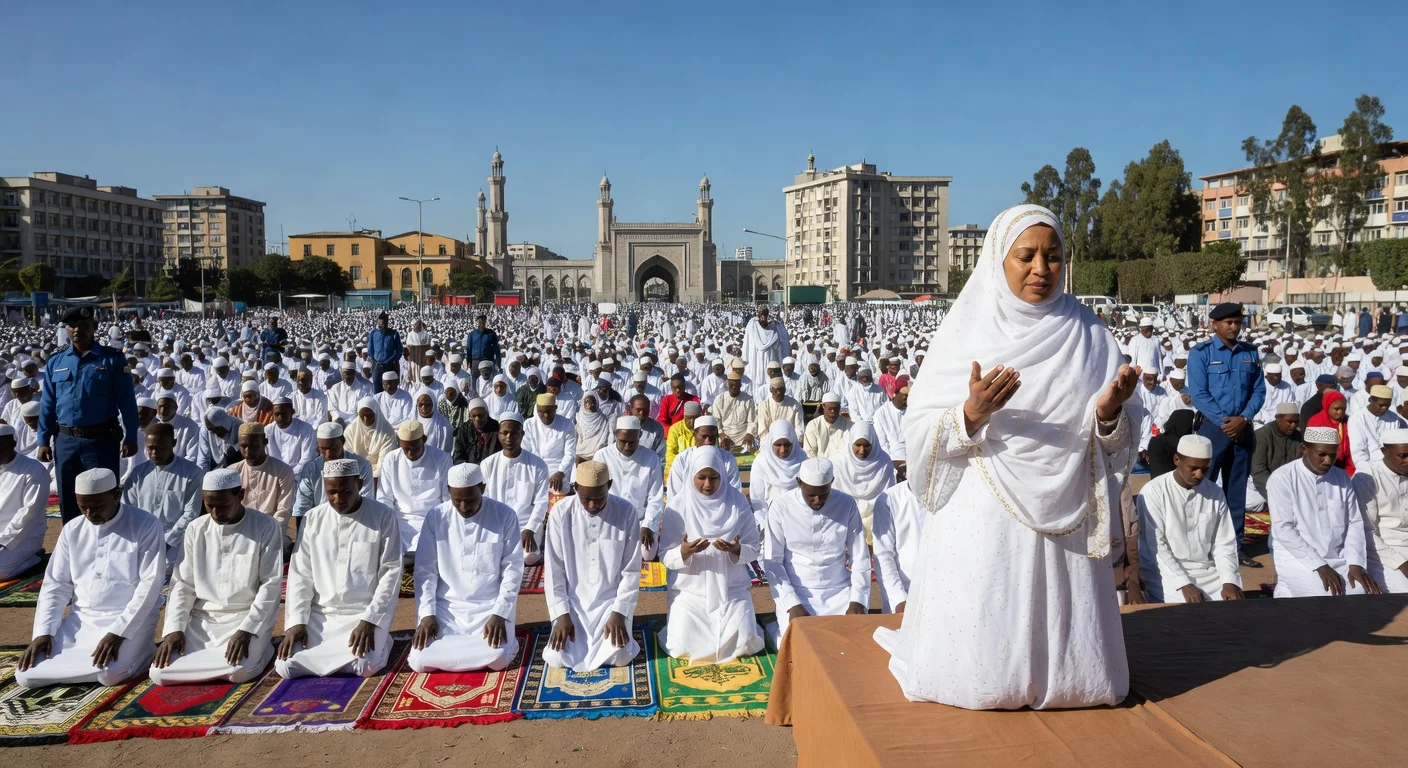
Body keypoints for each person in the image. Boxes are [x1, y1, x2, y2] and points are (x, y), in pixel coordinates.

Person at [876, 204, 1141, 711]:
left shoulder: (1090, 335)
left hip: (1068, 505)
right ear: (999, 259)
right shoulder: (965, 333)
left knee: (1068, 641)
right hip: (984, 506)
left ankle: (1068, 676)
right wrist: (971, 413)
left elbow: (1115, 441)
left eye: (1054, 256)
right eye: (1026, 256)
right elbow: (922, 429)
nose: (1041, 268)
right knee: (985, 653)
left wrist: (1108, 413)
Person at [15, 469, 163, 688]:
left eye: (96, 506)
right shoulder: (72, 530)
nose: (89, 513)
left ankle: (142, 652)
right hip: (82, 621)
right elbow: (56, 585)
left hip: (130, 620)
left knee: (108, 674)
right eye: (83, 506)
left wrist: (118, 633)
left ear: (115, 494)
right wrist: (43, 632)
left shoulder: (146, 524)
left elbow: (149, 585)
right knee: (26, 675)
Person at [150, 469, 284, 684]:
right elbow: (183, 584)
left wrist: (248, 630)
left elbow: (271, 583)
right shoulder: (196, 528)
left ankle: (263, 646)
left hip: (245, 617)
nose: (215, 512)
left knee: (239, 672)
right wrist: (174, 630)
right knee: (159, 674)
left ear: (240, 495)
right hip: (203, 620)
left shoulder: (265, 525)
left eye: (222, 506)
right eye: (209, 505)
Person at [276, 459, 403, 679]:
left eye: (345, 491)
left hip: (364, 613)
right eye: (331, 492)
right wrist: (297, 622)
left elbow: (391, 572)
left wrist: (371, 620)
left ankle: (383, 641)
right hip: (322, 615)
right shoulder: (313, 518)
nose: (338, 499)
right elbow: (300, 575)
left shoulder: (383, 516)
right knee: (286, 666)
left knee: (364, 666)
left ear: (360, 483)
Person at [410, 463, 524, 672]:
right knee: (420, 661)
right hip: (448, 607)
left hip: (489, 606)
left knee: (497, 658)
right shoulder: (436, 517)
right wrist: (427, 614)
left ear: (482, 488)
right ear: (448, 492)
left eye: (470, 500)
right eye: (457, 500)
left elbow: (513, 570)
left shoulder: (504, 515)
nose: (464, 507)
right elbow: (425, 571)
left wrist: (500, 613)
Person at [658, 447, 765, 664]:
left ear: (722, 476)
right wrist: (684, 552)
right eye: (702, 478)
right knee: (681, 645)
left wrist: (736, 550)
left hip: (731, 590)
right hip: (690, 593)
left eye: (714, 478)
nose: (708, 485)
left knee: (744, 641)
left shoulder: (737, 503)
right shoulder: (678, 506)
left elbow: (754, 547)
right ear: (692, 476)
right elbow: (664, 555)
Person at [38, 305, 140, 522]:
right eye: (72, 325)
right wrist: (43, 440)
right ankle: (72, 548)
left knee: (103, 498)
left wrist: (131, 436)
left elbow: (127, 402)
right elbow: (48, 403)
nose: (77, 330)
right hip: (65, 440)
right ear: (66, 328)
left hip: (100, 440)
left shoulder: (111, 359)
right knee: (69, 498)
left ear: (94, 327)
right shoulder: (56, 361)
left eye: (83, 325)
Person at [542, 460, 643, 673]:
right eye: (586, 499)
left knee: (621, 656)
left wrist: (619, 611)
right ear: (576, 488)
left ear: (609, 485)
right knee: (557, 657)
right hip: (573, 603)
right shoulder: (561, 512)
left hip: (610, 603)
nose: (592, 505)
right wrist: (561, 614)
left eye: (599, 498)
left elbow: (632, 570)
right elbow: (554, 569)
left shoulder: (626, 512)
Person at [1187, 302, 1265, 568]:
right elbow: (1199, 394)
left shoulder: (1250, 353)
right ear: (1215, 324)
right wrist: (1225, 422)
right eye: (1228, 323)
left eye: (1237, 323)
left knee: (1236, 489)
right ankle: (1200, 546)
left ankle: (1235, 547)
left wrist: (1243, 419)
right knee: (1203, 486)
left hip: (1242, 428)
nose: (1234, 327)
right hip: (1213, 428)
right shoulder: (1201, 354)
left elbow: (1258, 391)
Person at [763, 457, 869, 646]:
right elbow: (773, 562)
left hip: (840, 593)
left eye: (823, 494)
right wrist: (792, 603)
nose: (817, 500)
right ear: (799, 483)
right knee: (800, 647)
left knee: (854, 643)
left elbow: (860, 556)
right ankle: (775, 630)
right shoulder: (780, 507)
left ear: (831, 483)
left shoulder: (847, 504)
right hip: (798, 592)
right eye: (811, 495)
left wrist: (858, 600)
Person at [1267, 426, 1379, 598]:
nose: (1328, 460)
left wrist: (1355, 563)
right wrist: (1320, 565)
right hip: (1297, 558)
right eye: (1322, 455)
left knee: (1360, 591)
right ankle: (1284, 588)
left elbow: (1354, 522)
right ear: (1304, 448)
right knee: (1326, 596)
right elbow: (1284, 529)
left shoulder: (1341, 477)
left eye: (1332, 455)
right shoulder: (1282, 478)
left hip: (1337, 556)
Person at [1136, 434, 1244, 603]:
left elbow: (1224, 542)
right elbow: (1156, 546)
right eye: (1193, 468)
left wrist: (1229, 580)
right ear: (1177, 460)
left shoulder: (1215, 493)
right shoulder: (1153, 491)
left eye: (1205, 469)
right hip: (1164, 572)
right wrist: (1183, 583)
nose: (1199, 475)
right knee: (1189, 608)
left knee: (1232, 602)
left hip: (1206, 572)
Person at [122, 422, 204, 561]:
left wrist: (166, 542)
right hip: (140, 539)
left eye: (160, 448)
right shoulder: (138, 473)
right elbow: (128, 508)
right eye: (150, 448)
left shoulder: (192, 473)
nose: (154, 454)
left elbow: (191, 513)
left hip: (176, 544)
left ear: (173, 443)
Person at [480, 414, 550, 566]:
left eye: (514, 433)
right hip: (497, 524)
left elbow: (542, 502)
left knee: (528, 557)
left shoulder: (538, 465)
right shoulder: (487, 464)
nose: (509, 437)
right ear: (498, 434)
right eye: (504, 433)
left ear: (522, 434)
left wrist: (530, 529)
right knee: (486, 555)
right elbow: (484, 501)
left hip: (526, 524)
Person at [377, 420, 453, 555]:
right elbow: (384, 499)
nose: (411, 453)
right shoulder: (391, 459)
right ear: (399, 442)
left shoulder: (442, 458)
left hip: (432, 519)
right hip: (400, 519)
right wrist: (389, 525)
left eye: (415, 448)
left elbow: (447, 500)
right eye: (406, 449)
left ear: (424, 439)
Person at [1353, 429, 1408, 593]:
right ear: (1384, 451)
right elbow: (1367, 532)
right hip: (1381, 552)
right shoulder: (1368, 477)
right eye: (1402, 456)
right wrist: (1401, 563)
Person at [294, 421, 375, 520]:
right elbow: (302, 507)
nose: (328, 454)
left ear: (342, 441)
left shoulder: (362, 465)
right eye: (323, 449)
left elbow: (365, 501)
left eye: (333, 448)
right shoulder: (311, 469)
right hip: (320, 521)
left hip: (355, 519)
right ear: (318, 447)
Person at [232, 423, 296, 545]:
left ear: (265, 442)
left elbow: (284, 511)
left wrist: (268, 535)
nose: (248, 451)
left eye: (254, 446)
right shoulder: (233, 471)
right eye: (243, 446)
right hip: (240, 532)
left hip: (271, 530)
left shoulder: (283, 471)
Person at [0, 425, 48, 579]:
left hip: (22, 538)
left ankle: (35, 560)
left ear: (13, 444)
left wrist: (2, 541)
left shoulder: (33, 470)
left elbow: (28, 514)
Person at [871, 480, 926, 614]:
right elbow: (883, 555)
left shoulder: (950, 497)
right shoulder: (889, 499)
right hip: (904, 590)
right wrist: (899, 599)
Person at [748, 420, 806, 528]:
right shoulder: (762, 462)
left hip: (800, 521)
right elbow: (758, 501)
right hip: (770, 521)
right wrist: (765, 524)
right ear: (771, 443)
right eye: (778, 445)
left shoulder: (803, 460)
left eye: (787, 445)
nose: (783, 450)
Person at [523, 393, 575, 492]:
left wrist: (561, 473)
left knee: (558, 495)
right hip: (534, 470)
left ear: (555, 408)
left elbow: (570, 454)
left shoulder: (567, 424)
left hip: (558, 470)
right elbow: (525, 452)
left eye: (548, 411)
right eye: (541, 412)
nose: (545, 415)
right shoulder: (529, 424)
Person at [1251, 403, 1302, 502]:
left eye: (1296, 422)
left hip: (1291, 486)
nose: (1293, 425)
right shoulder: (1262, 435)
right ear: (1278, 418)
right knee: (1254, 502)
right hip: (1264, 484)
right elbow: (1259, 472)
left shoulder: (1299, 437)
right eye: (1289, 422)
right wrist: (1277, 492)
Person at [1349, 384, 1406, 472]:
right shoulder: (1357, 418)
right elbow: (1358, 451)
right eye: (1381, 405)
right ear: (1370, 400)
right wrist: (1368, 471)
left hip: (1390, 467)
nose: (1384, 408)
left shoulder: (1393, 418)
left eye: (1387, 406)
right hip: (1367, 467)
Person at [742, 306, 791, 401]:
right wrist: (745, 358)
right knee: (757, 385)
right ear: (758, 316)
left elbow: (781, 343)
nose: (763, 317)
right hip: (757, 361)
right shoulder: (752, 326)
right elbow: (747, 342)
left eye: (765, 315)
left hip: (771, 359)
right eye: (761, 315)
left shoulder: (774, 328)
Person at [344, 397, 398, 478]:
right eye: (362, 415)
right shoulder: (351, 430)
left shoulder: (387, 432)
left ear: (376, 413)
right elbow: (348, 457)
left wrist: (371, 478)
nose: (365, 419)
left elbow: (384, 463)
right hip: (356, 475)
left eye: (369, 415)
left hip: (379, 476)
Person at [1307, 390, 1354, 474]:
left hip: (1344, 466)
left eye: (1343, 409)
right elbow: (1313, 450)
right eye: (1336, 409)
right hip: (1322, 465)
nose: (1340, 412)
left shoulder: (1347, 422)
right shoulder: (1316, 422)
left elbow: (1351, 448)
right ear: (1327, 406)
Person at [267, 397, 317, 475]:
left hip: (299, 475)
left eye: (283, 414)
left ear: (292, 412)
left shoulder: (306, 429)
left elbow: (307, 458)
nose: (280, 418)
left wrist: (289, 474)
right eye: (277, 414)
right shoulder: (267, 430)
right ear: (272, 414)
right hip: (274, 474)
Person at [452, 397, 503, 465]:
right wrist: (464, 467)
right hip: (469, 468)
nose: (477, 419)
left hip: (491, 467)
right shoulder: (464, 429)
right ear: (470, 416)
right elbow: (458, 452)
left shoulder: (496, 428)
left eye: (481, 415)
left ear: (487, 414)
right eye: (474, 416)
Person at [803, 393, 853, 459]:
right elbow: (809, 453)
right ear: (823, 406)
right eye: (830, 409)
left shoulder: (849, 425)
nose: (833, 412)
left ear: (839, 408)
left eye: (836, 409)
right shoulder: (813, 425)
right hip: (820, 465)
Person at [664, 401, 701, 483]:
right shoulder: (675, 429)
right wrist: (683, 466)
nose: (692, 421)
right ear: (684, 416)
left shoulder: (703, 429)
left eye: (695, 418)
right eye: (689, 418)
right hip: (678, 467)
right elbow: (670, 453)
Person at [367, 313, 403, 386]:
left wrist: (390, 361)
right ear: (378, 321)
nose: (382, 323)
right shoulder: (373, 334)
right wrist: (376, 361)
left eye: (384, 321)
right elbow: (370, 351)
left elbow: (398, 351)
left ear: (387, 322)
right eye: (380, 321)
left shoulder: (394, 334)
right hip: (377, 366)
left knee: (390, 389)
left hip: (389, 366)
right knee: (377, 391)